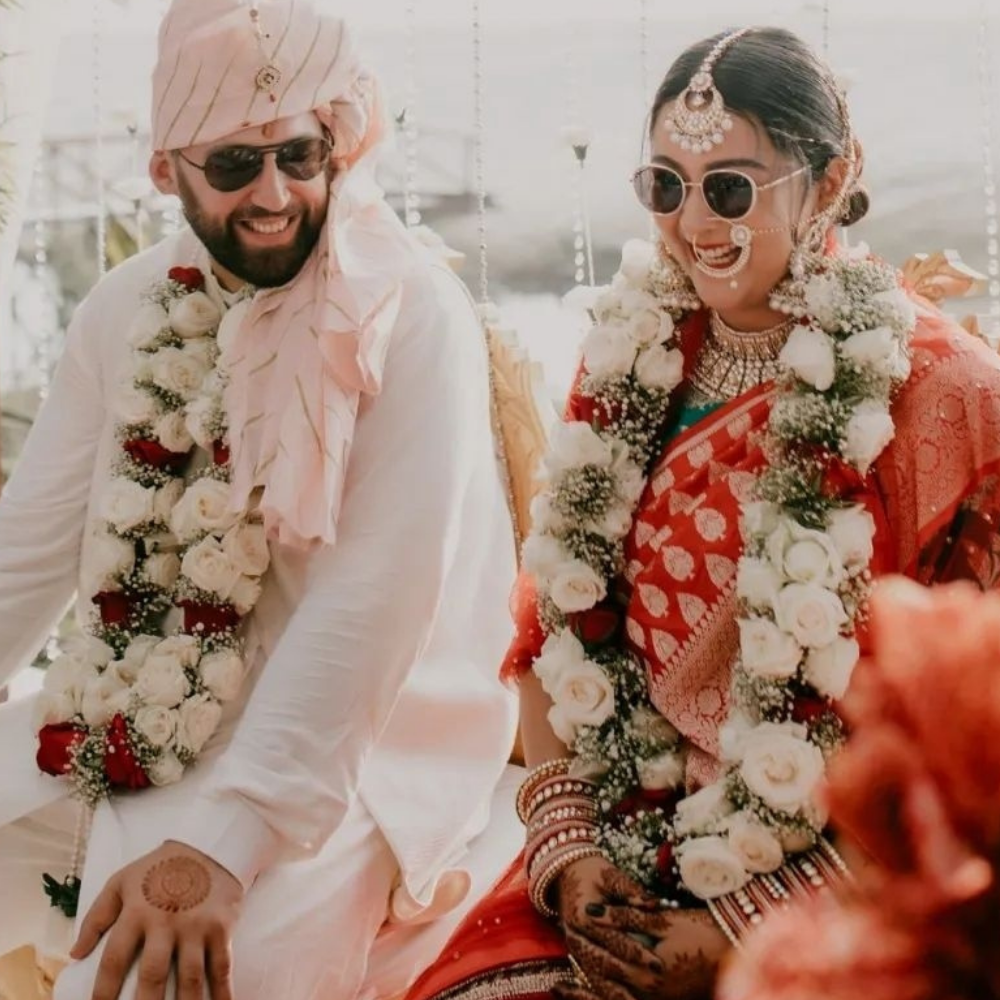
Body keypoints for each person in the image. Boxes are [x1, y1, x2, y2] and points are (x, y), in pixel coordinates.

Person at [404, 25, 1000, 1000]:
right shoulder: (628, 363)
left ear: (829, 178)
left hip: (841, 875)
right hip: (618, 852)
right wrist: (567, 849)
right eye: (664, 186)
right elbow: (552, 629)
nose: (691, 224)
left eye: (729, 189)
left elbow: (964, 747)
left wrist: (743, 929)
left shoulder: (947, 395)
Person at [0, 1, 523, 998]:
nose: (276, 194)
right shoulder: (127, 307)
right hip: (144, 703)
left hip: (362, 750)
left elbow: (369, 606)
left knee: (147, 981)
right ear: (167, 171)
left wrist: (226, 846)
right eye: (236, 165)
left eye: (300, 154)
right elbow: (27, 550)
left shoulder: (405, 313)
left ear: (338, 145)